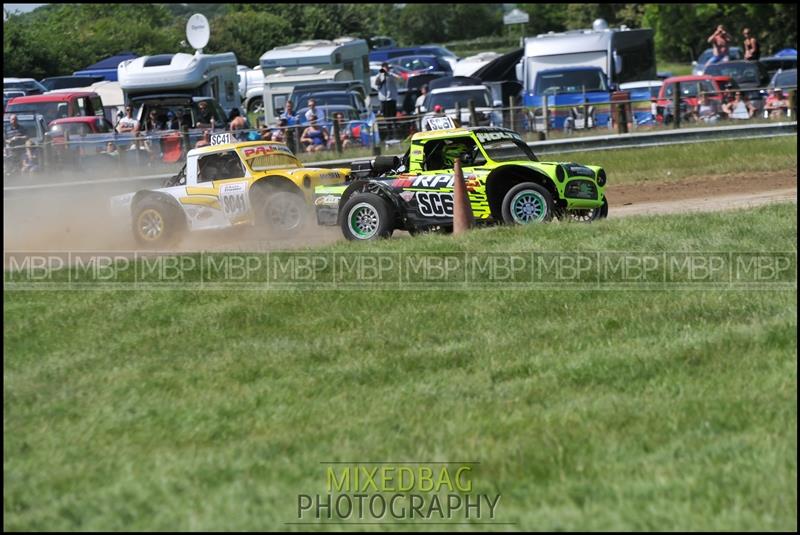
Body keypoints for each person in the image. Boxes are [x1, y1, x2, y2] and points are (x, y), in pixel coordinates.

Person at [374, 61, 399, 137]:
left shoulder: (391, 75)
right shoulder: (379, 75)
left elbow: (398, 78)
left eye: (387, 67)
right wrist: (382, 74)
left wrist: (388, 74)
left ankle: (396, 133)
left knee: (393, 116)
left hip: (391, 98)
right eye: (384, 67)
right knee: (386, 117)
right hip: (383, 99)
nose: (386, 69)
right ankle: (389, 134)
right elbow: (377, 82)